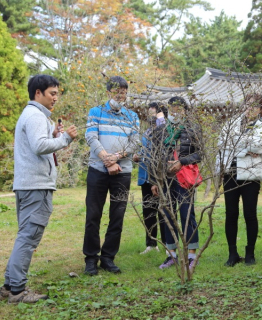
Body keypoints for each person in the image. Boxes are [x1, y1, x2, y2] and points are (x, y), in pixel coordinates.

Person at [0, 74, 78, 304]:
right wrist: (65, 139)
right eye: (52, 93)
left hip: (28, 185)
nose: (56, 98)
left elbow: (40, 143)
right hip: (35, 186)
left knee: (25, 236)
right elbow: (39, 146)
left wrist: (53, 135)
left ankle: (8, 286)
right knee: (29, 238)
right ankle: (18, 291)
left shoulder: (32, 115)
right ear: (38, 93)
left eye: (57, 93)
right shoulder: (34, 115)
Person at [83, 76, 140, 275]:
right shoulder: (96, 112)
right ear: (109, 93)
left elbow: (134, 143)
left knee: (117, 216)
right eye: (117, 92)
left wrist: (116, 158)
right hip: (98, 170)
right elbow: (91, 136)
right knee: (93, 215)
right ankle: (91, 258)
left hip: (122, 172)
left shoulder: (132, 116)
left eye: (124, 92)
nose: (120, 95)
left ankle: (108, 257)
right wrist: (106, 159)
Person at [220, 93, 262, 266]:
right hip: (230, 172)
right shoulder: (231, 123)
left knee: (250, 213)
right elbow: (223, 144)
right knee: (231, 213)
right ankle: (232, 253)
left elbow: (259, 144)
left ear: (260, 108)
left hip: (251, 174)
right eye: (248, 105)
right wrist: (246, 148)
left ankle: (250, 253)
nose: (250, 109)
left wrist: (238, 145)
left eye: (255, 106)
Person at [151, 96, 202, 270]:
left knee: (188, 214)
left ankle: (191, 256)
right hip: (165, 178)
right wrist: (154, 180)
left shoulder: (192, 128)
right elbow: (155, 157)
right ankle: (171, 255)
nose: (176, 111)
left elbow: (199, 154)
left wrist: (182, 161)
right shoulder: (161, 130)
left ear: (185, 110)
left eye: (179, 108)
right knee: (168, 215)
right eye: (173, 108)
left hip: (184, 177)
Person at [136, 102, 167, 255]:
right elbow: (143, 151)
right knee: (148, 211)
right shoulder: (147, 132)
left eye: (154, 113)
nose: (151, 116)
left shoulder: (166, 131)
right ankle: (151, 244)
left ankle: (169, 244)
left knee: (164, 211)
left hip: (161, 178)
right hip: (145, 176)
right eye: (150, 113)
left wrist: (162, 123)